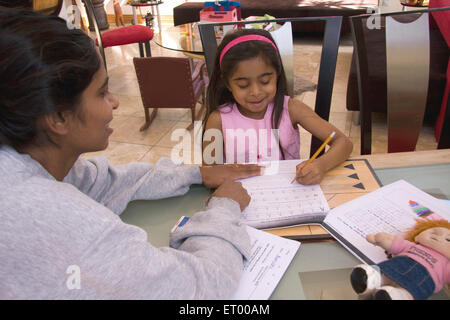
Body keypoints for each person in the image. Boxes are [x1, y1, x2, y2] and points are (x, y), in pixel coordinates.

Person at [0, 8, 263, 299]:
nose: (114, 102)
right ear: (58, 118)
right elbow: (202, 287)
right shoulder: (47, 216)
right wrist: (224, 209)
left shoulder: (27, 160)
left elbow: (102, 181)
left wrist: (195, 173)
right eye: (101, 93)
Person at [202, 28, 353, 185]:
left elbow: (343, 142)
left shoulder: (292, 109)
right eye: (243, 85)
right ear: (227, 83)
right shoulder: (218, 120)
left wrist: (320, 165)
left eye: (265, 81)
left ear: (277, 75)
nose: (256, 92)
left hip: (288, 194)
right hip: (238, 200)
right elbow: (208, 175)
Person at [350, 219, 450, 300]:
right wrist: (381, 239)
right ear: (417, 236)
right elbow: (394, 244)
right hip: (397, 265)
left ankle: (398, 296)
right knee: (382, 273)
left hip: (423, 280)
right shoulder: (412, 246)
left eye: (448, 239)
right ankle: (371, 280)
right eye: (433, 232)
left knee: (408, 292)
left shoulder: (447, 265)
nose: (437, 238)